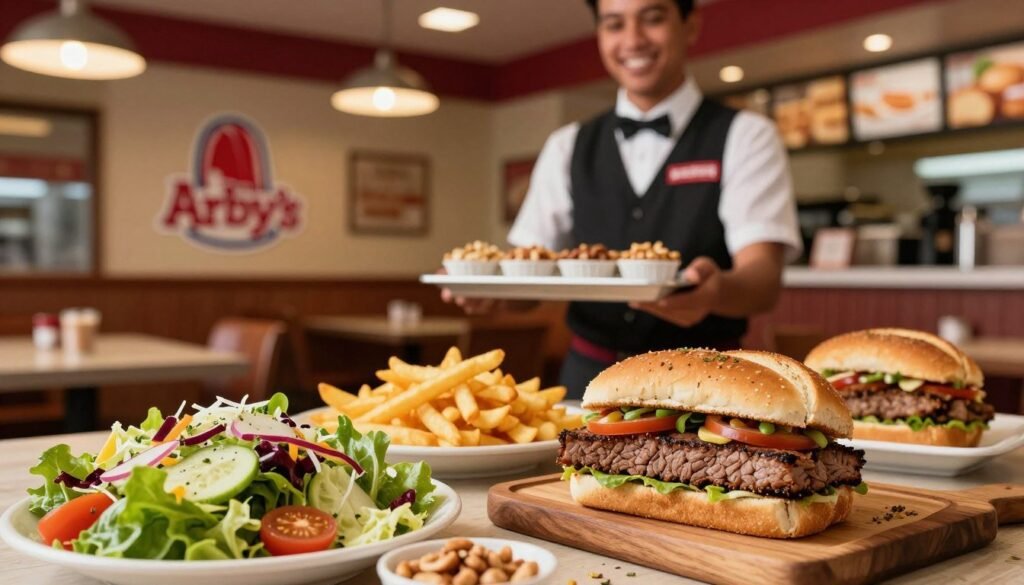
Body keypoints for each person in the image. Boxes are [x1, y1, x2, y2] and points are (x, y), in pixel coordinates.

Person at [447, 0, 801, 398]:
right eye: (615, 24)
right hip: (589, 380)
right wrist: (492, 294)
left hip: (706, 382)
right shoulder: (567, 145)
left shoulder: (747, 135)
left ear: (690, 24)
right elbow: (529, 280)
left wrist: (715, 291)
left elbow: (763, 280)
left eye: (653, 18)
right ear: (600, 34)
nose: (632, 40)